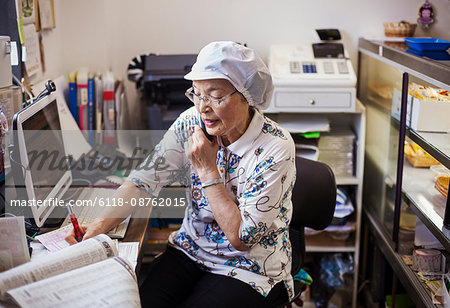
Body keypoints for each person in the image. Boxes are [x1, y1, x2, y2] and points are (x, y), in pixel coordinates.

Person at [66, 41, 296, 307]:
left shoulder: (275, 147)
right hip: (190, 250)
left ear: (247, 97)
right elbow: (142, 181)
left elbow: (241, 238)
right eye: (197, 94)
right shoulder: (191, 122)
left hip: (250, 268)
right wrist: (95, 230)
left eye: (215, 96)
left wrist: (208, 169)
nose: (202, 107)